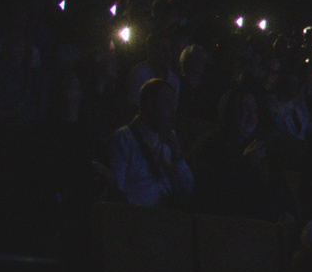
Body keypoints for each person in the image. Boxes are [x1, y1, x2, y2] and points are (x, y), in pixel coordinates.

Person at [190, 87, 277, 220]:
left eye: (254, 110)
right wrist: (245, 163)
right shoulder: (209, 144)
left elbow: (279, 187)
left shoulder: (260, 147)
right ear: (230, 112)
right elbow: (210, 187)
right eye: (245, 109)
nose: (252, 116)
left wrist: (286, 210)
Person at [104, 78, 194, 206]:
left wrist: (177, 155)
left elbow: (187, 188)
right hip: (138, 214)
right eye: (167, 104)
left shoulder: (169, 139)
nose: (172, 112)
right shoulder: (123, 139)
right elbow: (117, 192)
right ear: (150, 105)